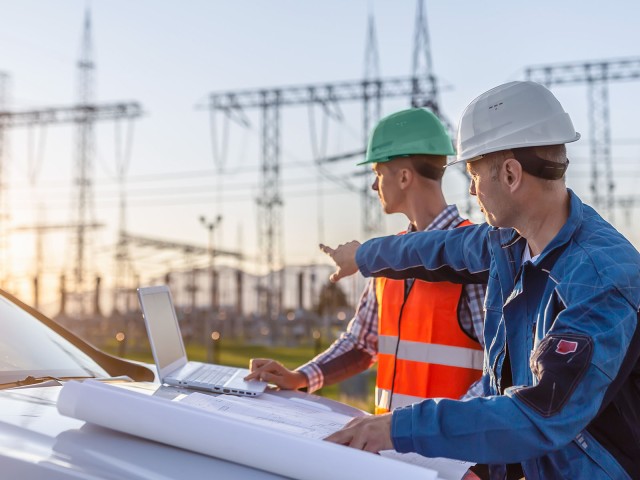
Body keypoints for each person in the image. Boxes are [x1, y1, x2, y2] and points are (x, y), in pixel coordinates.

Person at [322, 81, 640, 480]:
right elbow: (430, 249)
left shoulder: (601, 278)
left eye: (473, 174)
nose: (470, 190)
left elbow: (542, 413)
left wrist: (395, 428)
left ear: (509, 174)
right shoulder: (508, 243)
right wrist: (360, 257)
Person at [245, 107, 486, 414]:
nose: (373, 186)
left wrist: (445, 434)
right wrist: (300, 377)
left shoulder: (471, 262)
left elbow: (498, 372)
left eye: (377, 173)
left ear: (402, 177)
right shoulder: (386, 259)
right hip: (390, 449)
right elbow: (361, 343)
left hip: (451, 456)